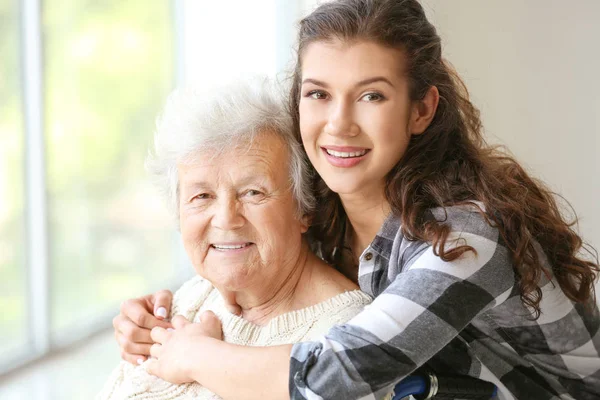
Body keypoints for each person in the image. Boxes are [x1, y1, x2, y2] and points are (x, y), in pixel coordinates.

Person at [113, 0, 600, 399]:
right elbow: (247, 254)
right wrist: (160, 316)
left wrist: (190, 354)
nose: (339, 125)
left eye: (371, 96)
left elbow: (335, 377)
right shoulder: (322, 198)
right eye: (319, 94)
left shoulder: (464, 236)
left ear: (422, 109)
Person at [99, 79, 372, 400]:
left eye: (252, 192)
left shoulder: (347, 335)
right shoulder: (192, 298)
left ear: (304, 208)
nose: (226, 218)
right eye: (202, 196)